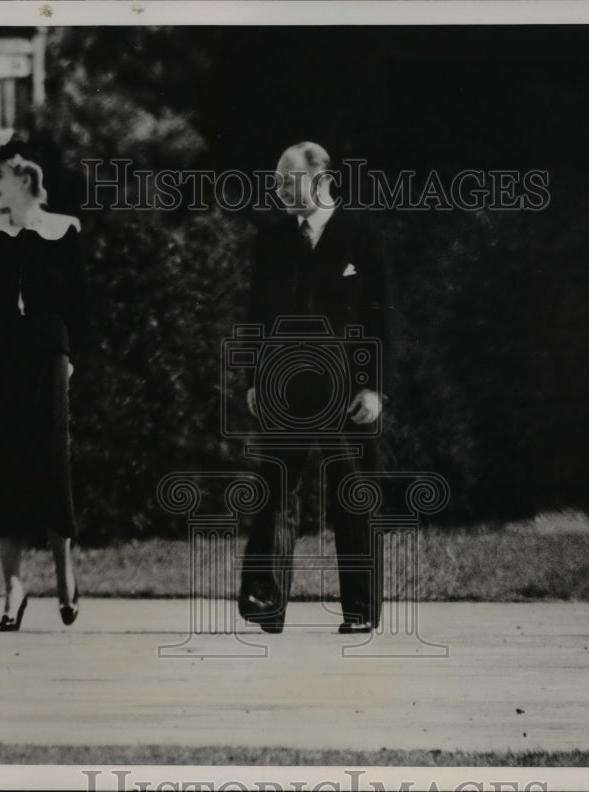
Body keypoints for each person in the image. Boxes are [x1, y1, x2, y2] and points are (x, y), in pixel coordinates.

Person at [238, 141, 391, 635]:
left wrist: (374, 389)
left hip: (347, 387)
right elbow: (256, 319)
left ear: (321, 179)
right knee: (276, 491)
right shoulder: (272, 241)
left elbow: (381, 319)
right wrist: (255, 381)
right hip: (284, 387)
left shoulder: (362, 236)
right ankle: (266, 600)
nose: (278, 188)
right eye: (277, 179)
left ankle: (360, 608)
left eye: (288, 178)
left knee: (352, 494)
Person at [0, 134, 86, 631]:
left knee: (51, 461)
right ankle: (13, 585)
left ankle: (64, 571)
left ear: (23, 178)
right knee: (4, 462)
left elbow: (78, 305)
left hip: (48, 357)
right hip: (2, 361)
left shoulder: (64, 231)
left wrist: (70, 358)